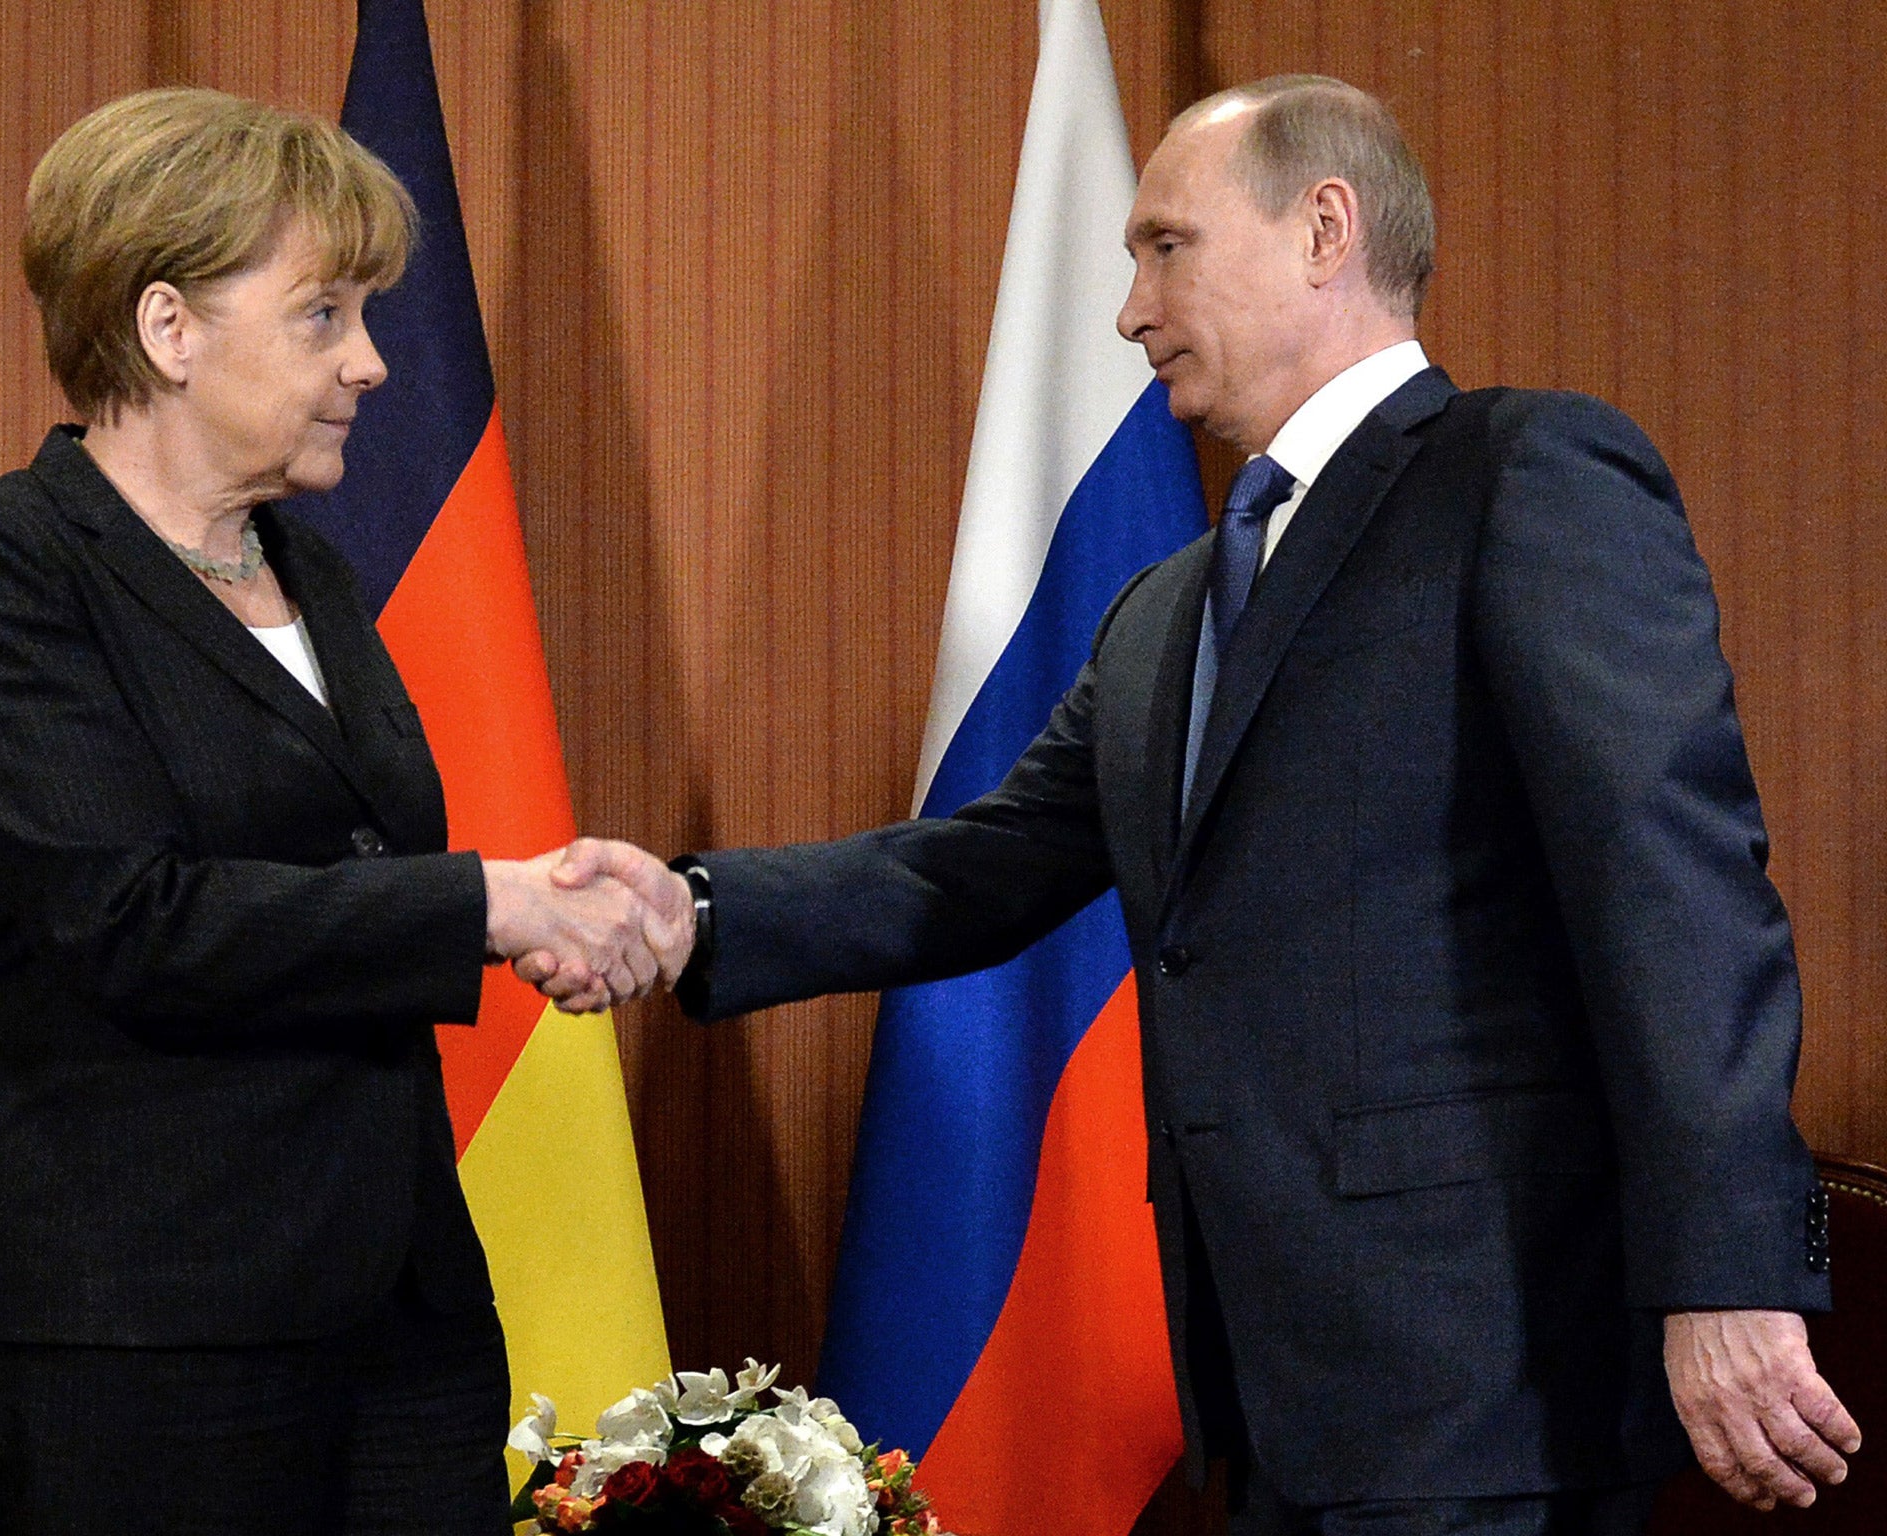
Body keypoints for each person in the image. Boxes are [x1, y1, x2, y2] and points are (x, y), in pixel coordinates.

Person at [541, 76, 1858, 1535]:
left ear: (1324, 228)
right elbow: (983, 867)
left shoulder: (1522, 476)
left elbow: (1674, 886)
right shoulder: (1171, 606)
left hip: (1493, 1378)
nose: (1129, 310)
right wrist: (692, 911)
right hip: (1260, 1388)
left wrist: (1730, 1270)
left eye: (1166, 247)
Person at [0, 87, 678, 1535]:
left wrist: (540, 911)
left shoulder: (307, 570)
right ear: (168, 329)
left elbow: (349, 869)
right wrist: (490, 904)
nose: (374, 364)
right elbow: (125, 919)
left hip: (398, 1306)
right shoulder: (1, 565)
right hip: (141, 1326)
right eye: (325, 314)